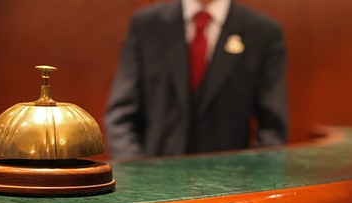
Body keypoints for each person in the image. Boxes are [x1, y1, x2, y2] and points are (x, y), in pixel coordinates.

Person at [105, 0, 288, 160]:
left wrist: (252, 185)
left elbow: (273, 129)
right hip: (155, 180)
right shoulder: (145, 26)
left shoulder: (263, 33)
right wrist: (138, 175)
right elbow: (121, 116)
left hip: (231, 185)